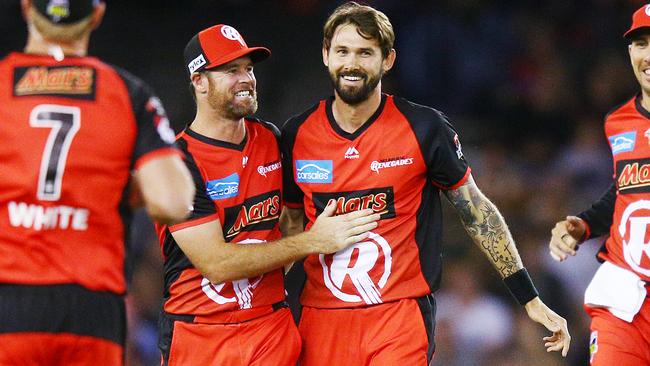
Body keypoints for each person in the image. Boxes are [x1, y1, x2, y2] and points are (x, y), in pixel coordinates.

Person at [280, 2, 571, 365]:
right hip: (321, 317)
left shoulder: (424, 128)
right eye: (342, 51)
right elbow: (289, 228)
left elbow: (477, 212)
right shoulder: (296, 135)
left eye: (365, 52)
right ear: (326, 55)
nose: (352, 63)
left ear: (387, 60)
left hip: (399, 317)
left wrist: (528, 298)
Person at [155, 24, 379, 366]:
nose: (246, 79)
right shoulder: (177, 163)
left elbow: (291, 219)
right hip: (200, 332)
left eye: (249, 68)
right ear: (199, 81)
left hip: (270, 326)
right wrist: (311, 242)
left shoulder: (273, 139)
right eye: (231, 70)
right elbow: (215, 263)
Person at [0, 0, 195, 365]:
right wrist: (113, 189)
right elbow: (172, 202)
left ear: (27, 8)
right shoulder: (127, 93)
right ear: (97, 14)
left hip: (9, 296)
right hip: (91, 307)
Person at [548, 4, 650, 365]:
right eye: (641, 44)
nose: (648, 55)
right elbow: (627, 190)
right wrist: (584, 224)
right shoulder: (619, 122)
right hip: (626, 299)